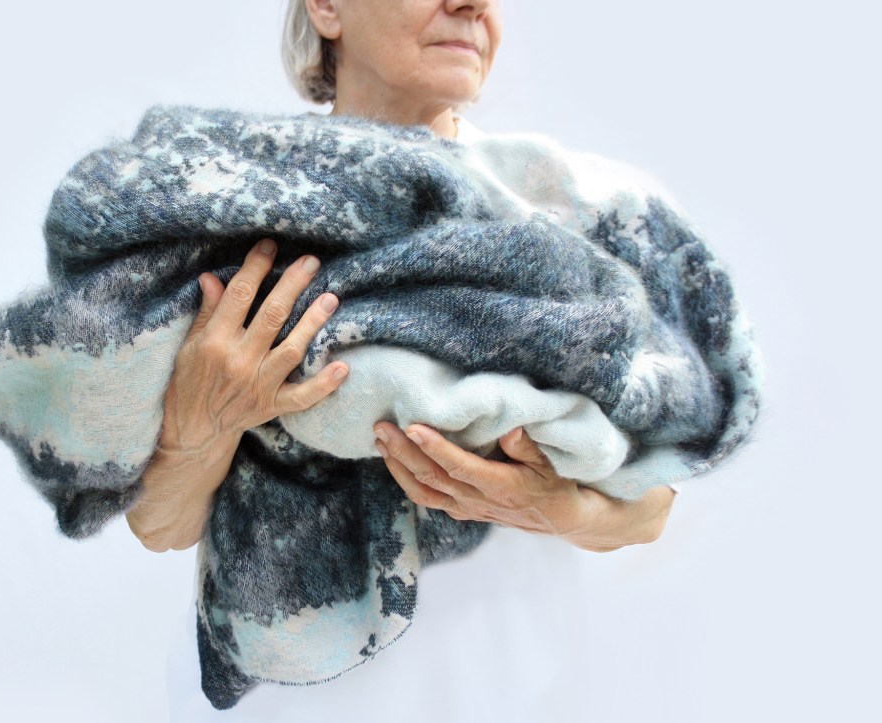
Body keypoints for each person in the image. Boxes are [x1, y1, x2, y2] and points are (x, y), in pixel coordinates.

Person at [126, 0, 681, 717]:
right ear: (327, 8)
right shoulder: (231, 212)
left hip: (519, 692)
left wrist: (560, 508)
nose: (473, 5)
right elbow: (160, 525)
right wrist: (204, 421)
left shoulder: (566, 208)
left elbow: (654, 504)